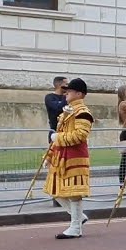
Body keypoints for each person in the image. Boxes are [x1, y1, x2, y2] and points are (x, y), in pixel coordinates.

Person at [45, 78, 94, 239]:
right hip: (61, 157)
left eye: (70, 91)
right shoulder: (67, 111)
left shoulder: (83, 112)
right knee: (55, 190)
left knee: (74, 193)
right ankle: (78, 218)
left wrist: (58, 138)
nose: (66, 93)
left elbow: (80, 136)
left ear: (79, 94)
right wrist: (49, 155)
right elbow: (59, 135)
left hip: (75, 157)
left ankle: (75, 226)